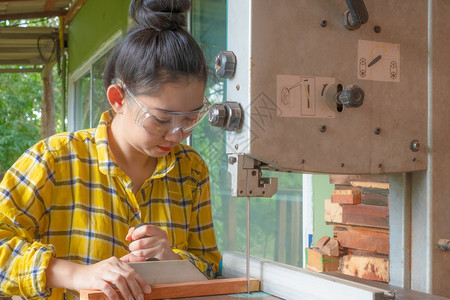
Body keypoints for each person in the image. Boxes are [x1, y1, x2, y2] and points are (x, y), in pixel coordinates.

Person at [0, 0, 221, 299]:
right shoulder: (55, 159)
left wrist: (172, 261)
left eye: (191, 118)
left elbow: (209, 266)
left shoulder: (191, 171)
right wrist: (78, 275)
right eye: (161, 119)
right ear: (118, 99)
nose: (177, 134)